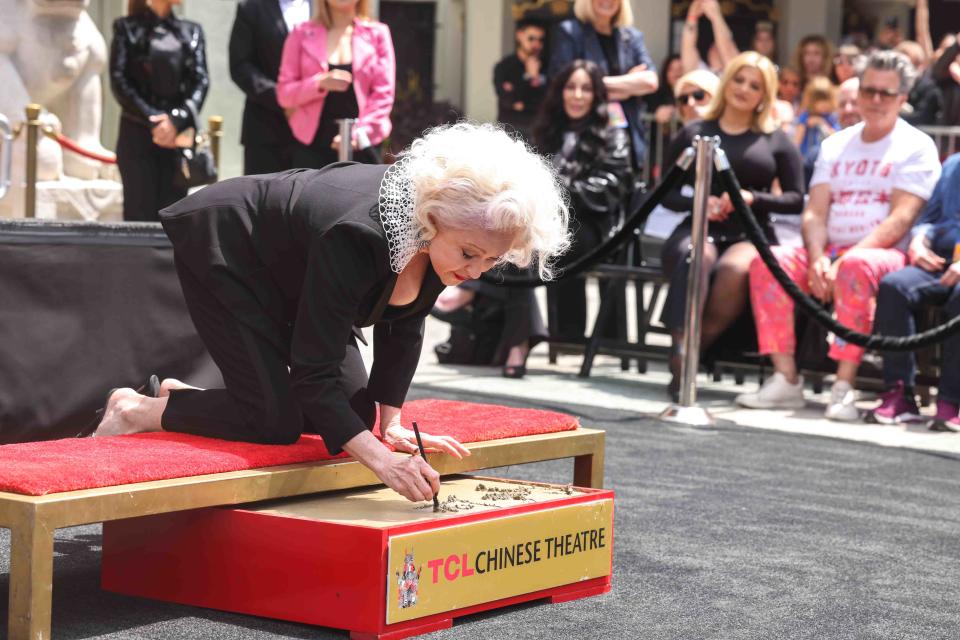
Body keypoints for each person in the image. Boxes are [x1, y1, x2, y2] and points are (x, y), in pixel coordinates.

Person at [90, 123, 571, 504]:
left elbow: (405, 325)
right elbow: (314, 373)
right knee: (272, 421)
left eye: (491, 260)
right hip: (232, 248)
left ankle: (189, 397)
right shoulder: (359, 234)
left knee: (352, 416)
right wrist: (382, 462)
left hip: (300, 266)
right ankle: (139, 408)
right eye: (469, 254)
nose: (476, 271)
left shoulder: (434, 235)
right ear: (432, 221)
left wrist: (393, 426)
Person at [737, 51, 942, 420]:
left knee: (857, 266)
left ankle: (843, 386)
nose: (875, 100)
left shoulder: (916, 146)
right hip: (829, 249)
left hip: (884, 255)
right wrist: (817, 256)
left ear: (903, 98)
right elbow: (815, 210)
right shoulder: (835, 144)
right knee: (770, 262)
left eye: (885, 93)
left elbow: (901, 218)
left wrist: (843, 259)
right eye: (868, 90)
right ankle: (786, 378)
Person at [659, 52, 805, 398]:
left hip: (749, 232)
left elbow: (796, 198)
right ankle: (681, 347)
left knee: (735, 269)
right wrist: (701, 202)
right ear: (727, 82)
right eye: (739, 79)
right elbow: (663, 193)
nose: (743, 89)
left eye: (754, 85)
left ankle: (690, 358)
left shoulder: (776, 140)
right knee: (696, 257)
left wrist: (752, 198)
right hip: (697, 226)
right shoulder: (695, 132)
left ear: (764, 95)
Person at [534, 60, 634, 346]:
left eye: (586, 89)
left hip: (597, 224)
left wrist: (559, 192)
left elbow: (610, 187)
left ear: (596, 95)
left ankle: (573, 337)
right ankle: (545, 335)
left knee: (561, 239)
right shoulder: (548, 129)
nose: (577, 95)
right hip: (552, 218)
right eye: (571, 87)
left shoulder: (613, 132)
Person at [870, 152, 960, 430]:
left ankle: (951, 400)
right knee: (894, 287)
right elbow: (929, 217)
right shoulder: (953, 164)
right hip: (939, 258)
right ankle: (900, 393)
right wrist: (919, 240)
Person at [109, 0, 208, 222]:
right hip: (137, 137)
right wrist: (154, 120)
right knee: (138, 218)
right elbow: (119, 81)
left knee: (176, 219)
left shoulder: (192, 31)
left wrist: (175, 120)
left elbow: (201, 81)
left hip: (178, 140)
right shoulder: (126, 28)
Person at [277, 0, 395, 169]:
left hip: (362, 141)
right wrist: (319, 83)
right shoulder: (300, 33)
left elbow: (383, 95)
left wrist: (356, 135)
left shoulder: (378, 33)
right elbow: (284, 94)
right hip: (312, 144)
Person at [549, 0, 658, 169]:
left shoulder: (632, 37)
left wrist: (594, 86)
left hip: (628, 136)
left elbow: (651, 82)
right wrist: (629, 86)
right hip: (585, 136)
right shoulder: (571, 32)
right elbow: (562, 82)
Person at [229, 0, 310, 175]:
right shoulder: (252, 7)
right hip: (266, 130)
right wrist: (283, 100)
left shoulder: (324, 7)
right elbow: (240, 65)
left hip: (317, 134)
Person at [493, 18, 548, 142]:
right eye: (531, 38)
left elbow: (546, 102)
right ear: (519, 36)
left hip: (537, 131)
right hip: (510, 132)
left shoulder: (546, 66)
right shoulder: (504, 67)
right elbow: (508, 100)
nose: (536, 44)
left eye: (540, 40)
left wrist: (522, 102)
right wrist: (529, 77)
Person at [793, 76, 839, 184]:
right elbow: (797, 140)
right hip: (806, 160)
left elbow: (836, 136)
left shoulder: (831, 118)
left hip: (825, 161)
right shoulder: (806, 116)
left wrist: (821, 123)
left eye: (826, 100)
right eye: (819, 100)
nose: (824, 104)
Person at [680, 0, 739, 75]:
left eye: (719, 45)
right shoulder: (700, 72)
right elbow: (688, 46)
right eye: (714, 44)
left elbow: (727, 49)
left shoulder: (735, 75)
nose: (717, 46)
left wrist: (716, 16)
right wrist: (692, 15)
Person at [896, 40, 944, 126]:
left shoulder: (930, 88)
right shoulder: (895, 86)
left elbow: (922, 117)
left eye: (906, 65)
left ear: (919, 65)